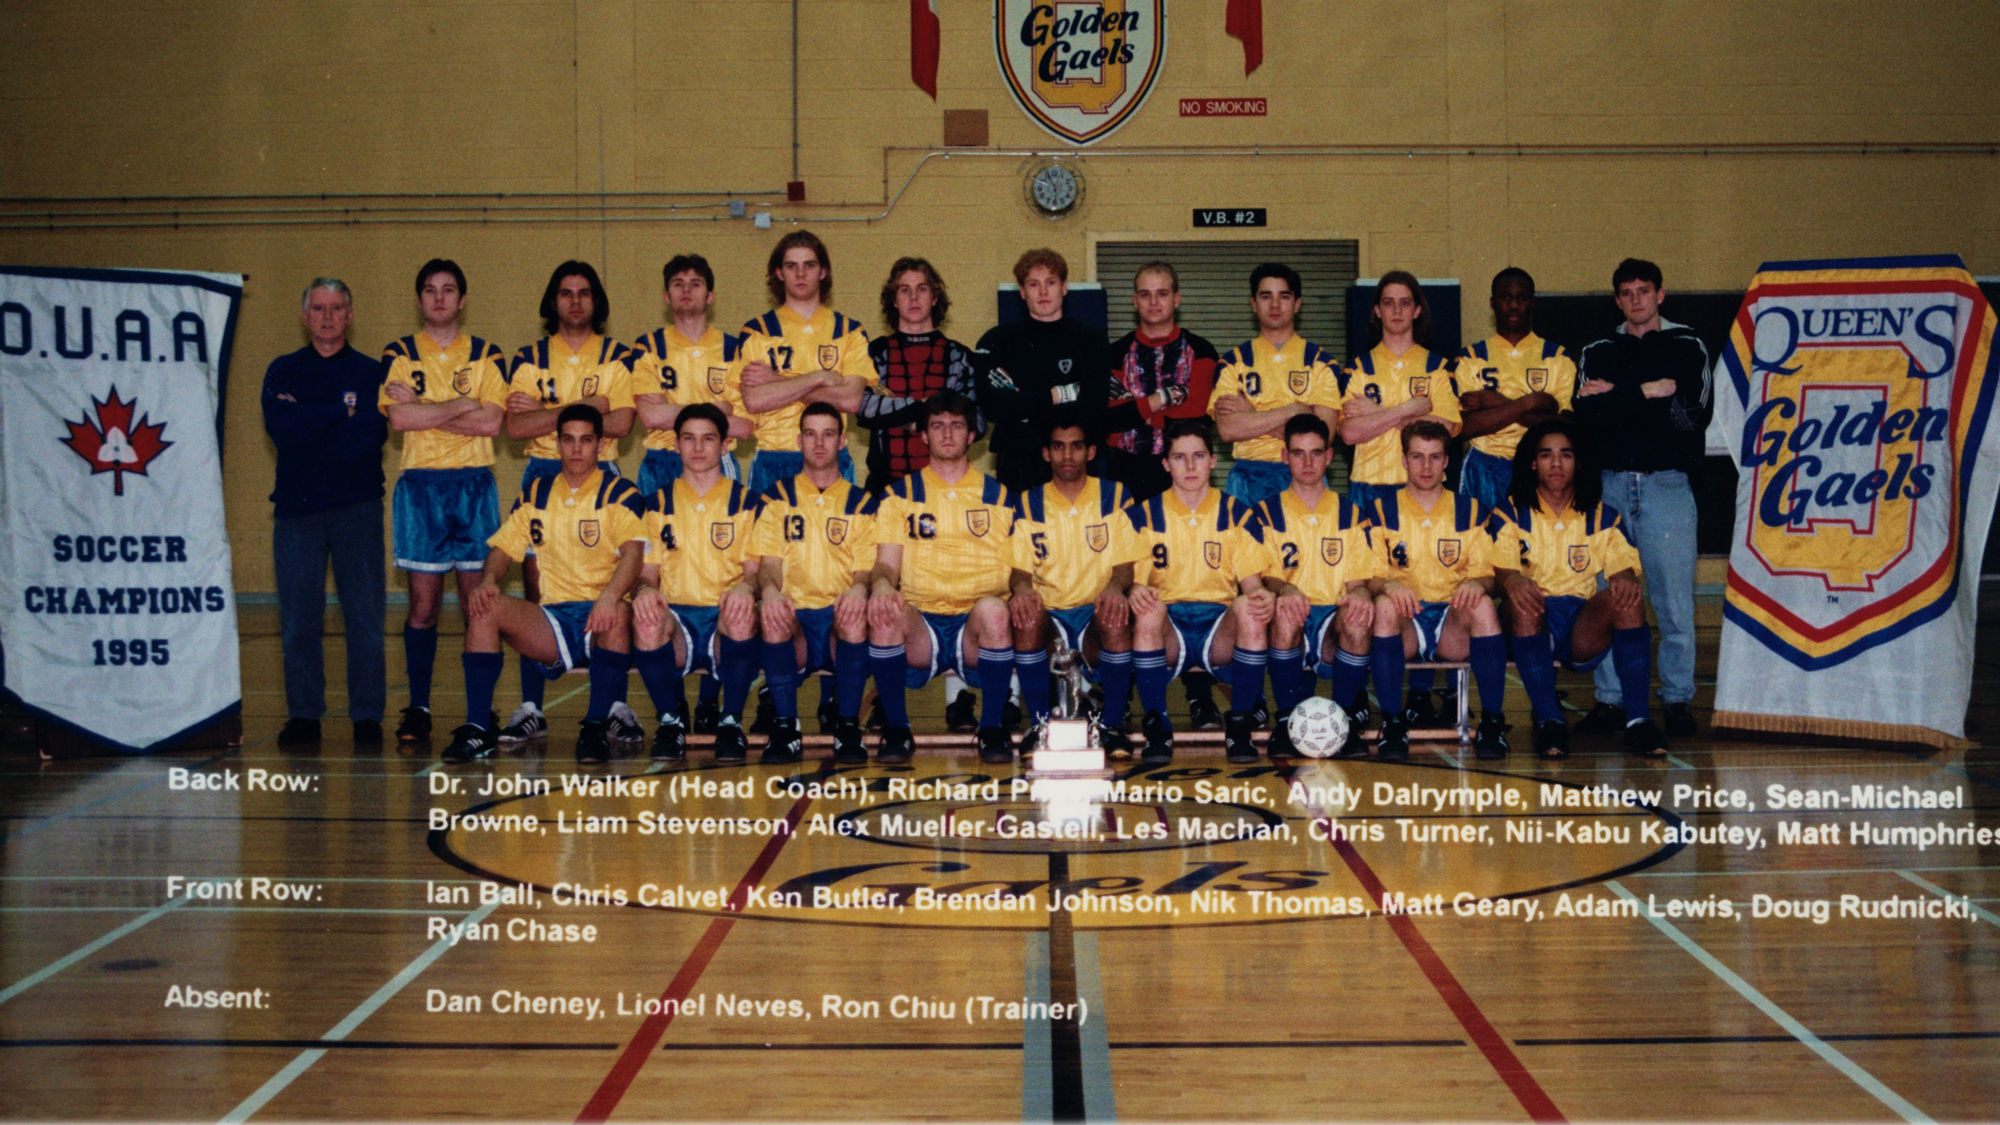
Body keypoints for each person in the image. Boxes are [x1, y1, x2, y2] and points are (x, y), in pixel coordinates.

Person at [441, 405, 648, 764]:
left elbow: (633, 555)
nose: (577, 449)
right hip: (552, 620)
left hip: (604, 618)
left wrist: (609, 596)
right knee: (485, 604)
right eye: (568, 440)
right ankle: (477, 728)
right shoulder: (537, 493)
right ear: (557, 443)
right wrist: (489, 579)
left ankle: (595, 726)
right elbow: (503, 548)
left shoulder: (620, 493)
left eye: (586, 440)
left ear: (600, 444)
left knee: (616, 612)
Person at [498, 261, 637, 744]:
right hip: (543, 476)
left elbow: (620, 425)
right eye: (565, 293)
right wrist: (587, 409)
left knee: (611, 592)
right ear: (552, 301)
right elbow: (514, 428)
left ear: (596, 301)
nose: (575, 301)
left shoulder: (618, 356)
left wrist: (545, 415)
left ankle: (615, 705)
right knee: (541, 594)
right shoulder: (530, 357)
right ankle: (531, 707)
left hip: (602, 476)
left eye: (583, 293)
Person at [1571, 258, 1709, 739]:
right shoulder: (1598, 349)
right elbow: (1586, 417)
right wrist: (1647, 392)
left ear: (1660, 295)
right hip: (1609, 486)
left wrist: (1618, 399)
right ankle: (1610, 701)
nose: (1636, 300)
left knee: (1673, 602)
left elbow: (1688, 415)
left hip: (1666, 484)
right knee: (1610, 597)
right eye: (1626, 292)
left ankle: (1676, 700)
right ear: (1616, 300)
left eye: (1643, 291)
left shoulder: (1688, 344)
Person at [378, 259, 508, 742]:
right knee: (424, 606)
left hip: (474, 485)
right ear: (419, 300)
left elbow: (492, 424)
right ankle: (418, 707)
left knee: (480, 603)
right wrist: (460, 405)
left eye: (448, 289)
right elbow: (398, 422)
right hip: (421, 487)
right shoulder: (398, 353)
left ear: (462, 299)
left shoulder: (488, 355)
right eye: (430, 290)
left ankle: (482, 710)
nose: (439, 298)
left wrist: (424, 407)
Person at [261, 278, 388, 745]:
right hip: (297, 513)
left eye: (337, 308)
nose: (328, 317)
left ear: (350, 316)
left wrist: (310, 415)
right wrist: (339, 412)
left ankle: (367, 716)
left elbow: (363, 442)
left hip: (356, 509)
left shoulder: (372, 373)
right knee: (299, 617)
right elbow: (284, 433)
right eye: (318, 308)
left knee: (365, 616)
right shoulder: (282, 371)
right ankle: (304, 715)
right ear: (305, 315)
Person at [1490, 417, 1664, 759]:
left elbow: (1623, 570)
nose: (1556, 463)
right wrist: (1512, 580)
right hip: (1529, 617)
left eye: (1566, 455)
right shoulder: (1509, 513)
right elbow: (1502, 572)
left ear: (1578, 462)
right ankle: (1550, 721)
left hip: (1579, 624)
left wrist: (1625, 579)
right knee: (1524, 599)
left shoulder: (1603, 516)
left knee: (1627, 600)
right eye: (1546, 455)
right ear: (1532, 462)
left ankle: (1638, 721)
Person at [1340, 270, 1463, 728]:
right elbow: (1349, 431)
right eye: (1386, 302)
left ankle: (1423, 694)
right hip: (1369, 487)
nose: (1395, 310)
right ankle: (1373, 694)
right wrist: (1412, 409)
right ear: (1376, 310)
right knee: (1376, 596)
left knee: (1429, 585)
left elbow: (1448, 429)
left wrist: (1378, 414)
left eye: (1403, 302)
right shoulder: (1357, 368)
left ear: (1416, 310)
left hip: (1423, 488)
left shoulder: (1435, 367)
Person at [867, 393, 1019, 765]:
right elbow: (886, 566)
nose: (947, 434)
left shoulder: (1001, 497)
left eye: (956, 426)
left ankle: (993, 726)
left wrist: (1022, 591)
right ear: (924, 435)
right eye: (937, 426)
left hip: (976, 628)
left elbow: (1019, 567)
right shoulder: (897, 495)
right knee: (887, 607)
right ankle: (897, 729)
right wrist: (883, 584)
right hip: (923, 626)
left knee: (995, 610)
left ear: (971, 436)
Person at [1121, 419, 1278, 765]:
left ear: (1213, 460)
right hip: (1169, 630)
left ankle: (1239, 724)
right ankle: (1156, 725)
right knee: (1148, 608)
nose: (1190, 466)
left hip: (1217, 626)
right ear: (1165, 464)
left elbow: (1252, 583)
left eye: (1198, 456)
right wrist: (1134, 590)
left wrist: (1262, 595)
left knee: (1249, 606)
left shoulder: (1237, 513)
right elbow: (1136, 582)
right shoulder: (1143, 515)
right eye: (1179, 457)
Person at [1363, 421, 1509, 761]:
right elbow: (1367, 576)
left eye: (1434, 457)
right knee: (1383, 605)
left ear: (1446, 462)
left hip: (1450, 625)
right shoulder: (1380, 511)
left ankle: (1491, 723)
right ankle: (1394, 723)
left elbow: (1488, 576)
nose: (1426, 466)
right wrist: (1388, 583)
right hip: (1406, 624)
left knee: (1484, 606)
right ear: (1403, 460)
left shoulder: (1471, 511)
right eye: (1417, 457)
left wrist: (1478, 583)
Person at [628, 404, 764, 764]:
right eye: (689, 439)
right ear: (675, 445)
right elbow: (646, 574)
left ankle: (731, 722)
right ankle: (670, 723)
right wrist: (642, 590)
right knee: (645, 615)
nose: (698, 448)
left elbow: (755, 573)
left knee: (742, 610)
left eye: (708, 439)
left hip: (725, 620)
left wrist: (745, 588)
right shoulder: (655, 505)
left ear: (725, 446)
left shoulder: (749, 504)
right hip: (678, 624)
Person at [750, 403, 877, 763]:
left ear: (841, 442)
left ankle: (848, 726)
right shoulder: (775, 498)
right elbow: (769, 565)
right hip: (797, 622)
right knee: (773, 614)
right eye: (810, 434)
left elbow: (865, 569)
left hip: (838, 618)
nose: (819, 443)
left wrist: (858, 588)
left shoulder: (862, 503)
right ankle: (786, 727)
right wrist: (771, 592)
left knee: (855, 612)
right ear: (798, 441)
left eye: (828, 434)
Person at [1006, 415, 1141, 755]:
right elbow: (1018, 572)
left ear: (1091, 452)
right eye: (1058, 447)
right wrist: (1022, 590)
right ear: (1045, 454)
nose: (1067, 455)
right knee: (1025, 610)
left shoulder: (1116, 496)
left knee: (1116, 610)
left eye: (1076, 447)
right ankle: (1038, 723)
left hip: (1095, 615)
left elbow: (1126, 565)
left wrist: (1114, 588)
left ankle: (1112, 726)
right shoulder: (1026, 503)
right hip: (1050, 620)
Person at [1260, 414, 1378, 758]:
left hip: (1331, 620)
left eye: (1316, 452)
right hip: (1291, 614)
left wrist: (1358, 593)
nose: (1308, 462)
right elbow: (1264, 575)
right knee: (1284, 611)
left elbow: (1359, 580)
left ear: (1329, 456)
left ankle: (1340, 723)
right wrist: (1284, 589)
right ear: (1285, 457)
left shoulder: (1352, 514)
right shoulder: (1266, 514)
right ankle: (1284, 721)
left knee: (1359, 615)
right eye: (1298, 453)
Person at [736, 230, 876, 496]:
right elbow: (755, 401)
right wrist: (818, 376)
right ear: (779, 273)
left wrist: (777, 380)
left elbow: (849, 401)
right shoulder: (757, 331)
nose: (801, 274)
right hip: (774, 458)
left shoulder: (849, 331)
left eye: (809, 265)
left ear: (823, 272)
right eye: (791, 266)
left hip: (831, 460)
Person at [975, 249, 1111, 496]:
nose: (1044, 292)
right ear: (1022, 291)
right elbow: (993, 407)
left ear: (1064, 287)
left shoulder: (1090, 339)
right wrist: (1057, 396)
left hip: (1073, 459)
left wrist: (1025, 401)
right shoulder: (998, 341)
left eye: (1051, 282)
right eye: (1034, 284)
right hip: (1017, 458)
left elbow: (1095, 404)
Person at [1209, 263, 1342, 506]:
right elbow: (1228, 429)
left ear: (1297, 304)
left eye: (1284, 296)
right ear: (1253, 304)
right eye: (1265, 296)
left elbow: (1324, 435)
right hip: (1247, 478)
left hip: (1303, 475)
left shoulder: (1322, 363)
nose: (1274, 305)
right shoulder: (1231, 362)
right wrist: (1293, 411)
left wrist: (1252, 415)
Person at [1452, 267, 1576, 511]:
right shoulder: (1470, 357)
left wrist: (1494, 401)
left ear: (1532, 303)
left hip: (1537, 468)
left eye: (1522, 298)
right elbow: (1466, 427)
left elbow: (1563, 425)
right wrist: (1531, 402)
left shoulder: (1558, 357)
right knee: (1483, 544)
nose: (1514, 305)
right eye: (1505, 297)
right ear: (1492, 302)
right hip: (1483, 467)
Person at [630, 253, 752, 498]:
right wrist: (717, 408)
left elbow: (743, 426)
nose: (686, 289)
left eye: (695, 284)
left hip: (716, 461)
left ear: (710, 297)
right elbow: (651, 417)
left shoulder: (735, 349)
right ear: (666, 296)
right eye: (678, 284)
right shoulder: (648, 347)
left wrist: (670, 411)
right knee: (656, 536)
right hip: (660, 461)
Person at [858, 257, 983, 494]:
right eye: (904, 290)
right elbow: (864, 408)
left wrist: (902, 415)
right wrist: (928, 411)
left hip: (947, 485)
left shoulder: (960, 357)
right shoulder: (874, 353)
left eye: (922, 289)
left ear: (935, 298)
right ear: (893, 300)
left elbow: (976, 422)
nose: (913, 298)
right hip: (885, 485)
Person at [1104, 261, 1217, 499]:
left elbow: (1198, 417)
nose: (1153, 303)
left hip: (1184, 471)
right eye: (1145, 295)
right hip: (1125, 470)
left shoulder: (1201, 350)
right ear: (1135, 301)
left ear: (1176, 299)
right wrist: (1163, 400)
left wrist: (1137, 410)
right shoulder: (1114, 353)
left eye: (1162, 294)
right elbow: (1112, 420)